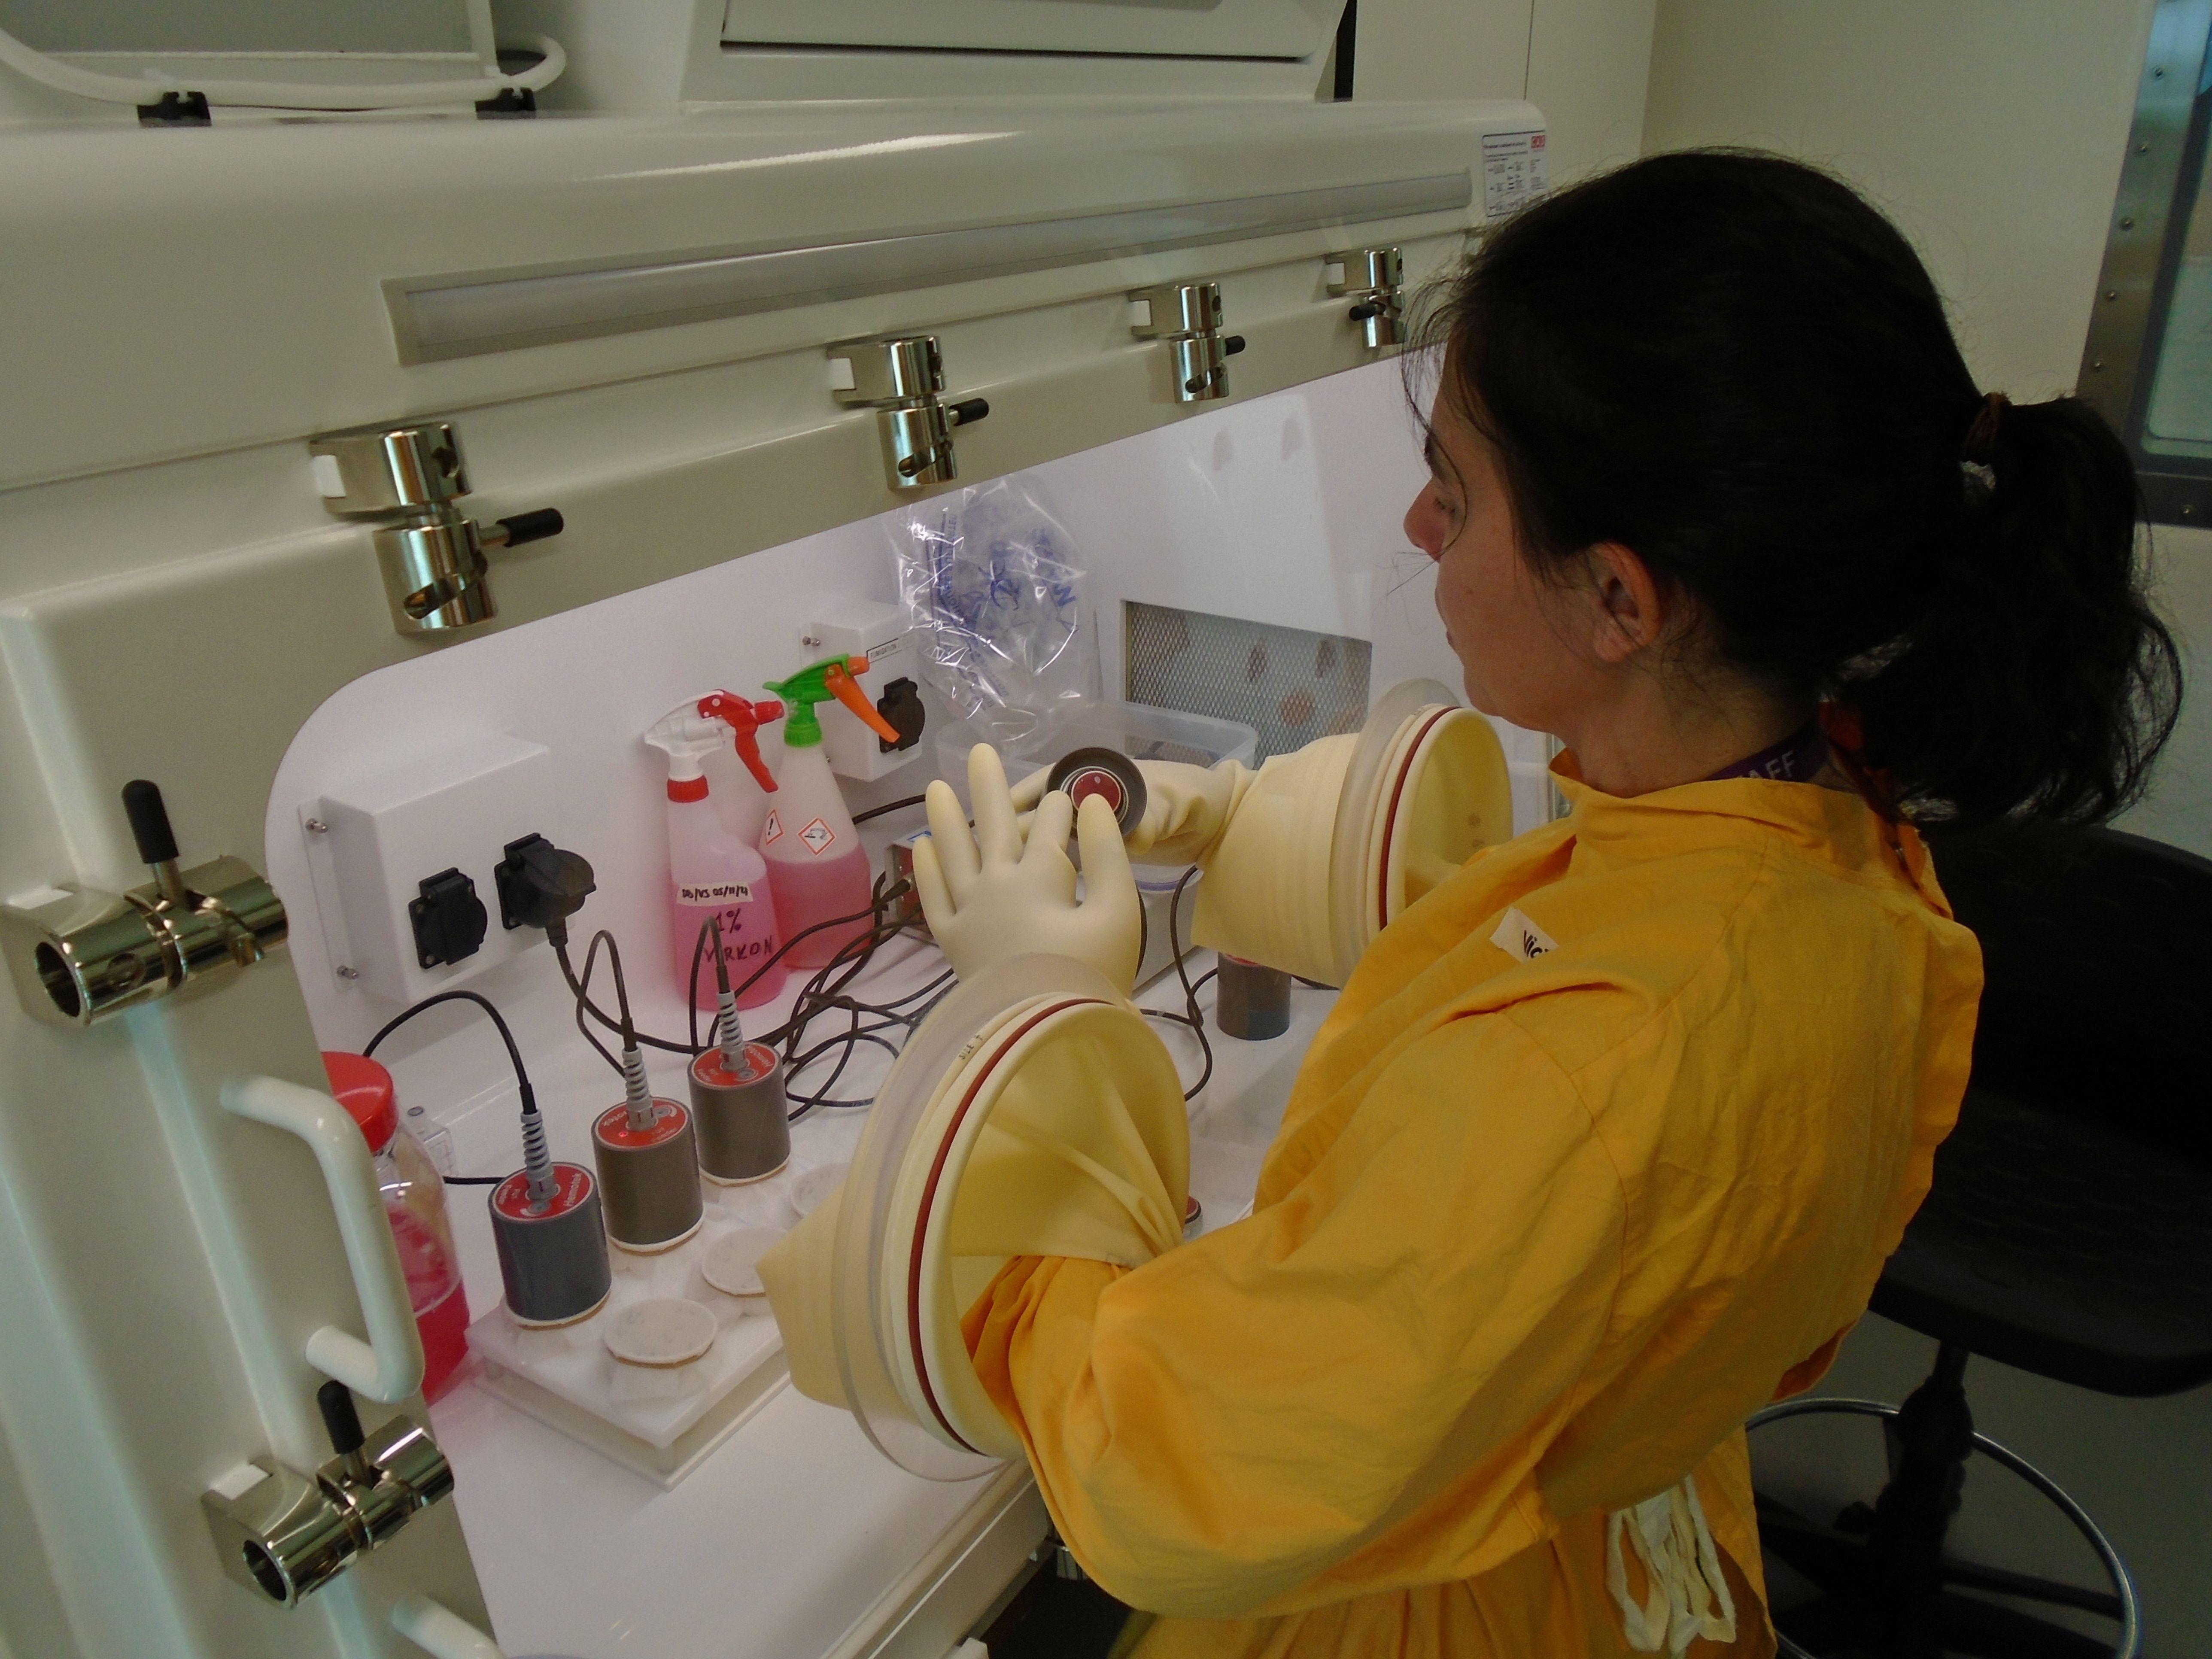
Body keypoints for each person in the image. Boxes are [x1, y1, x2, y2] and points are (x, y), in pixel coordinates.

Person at [920, 152, 2181, 1657]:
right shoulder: (1833, 841)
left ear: (1621, 603)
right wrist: (1229, 818)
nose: (1414, 532)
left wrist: (1037, 1013)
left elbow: (1175, 1470)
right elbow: (1549, 939)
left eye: (1455, 496)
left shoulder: (1595, 1067)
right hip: (1624, 1538)